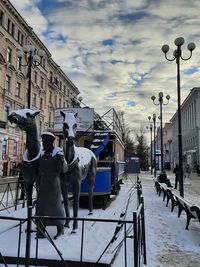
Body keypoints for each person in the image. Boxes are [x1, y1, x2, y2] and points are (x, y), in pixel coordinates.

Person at [36, 132, 68, 239]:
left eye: (45, 142)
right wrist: (38, 182)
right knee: (41, 207)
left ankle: (60, 229)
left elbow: (64, 170)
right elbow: (39, 170)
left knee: (56, 207)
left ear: (51, 143)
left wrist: (62, 160)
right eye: (43, 142)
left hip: (54, 184)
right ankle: (41, 230)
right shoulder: (41, 154)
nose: (44, 144)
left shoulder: (58, 153)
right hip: (43, 184)